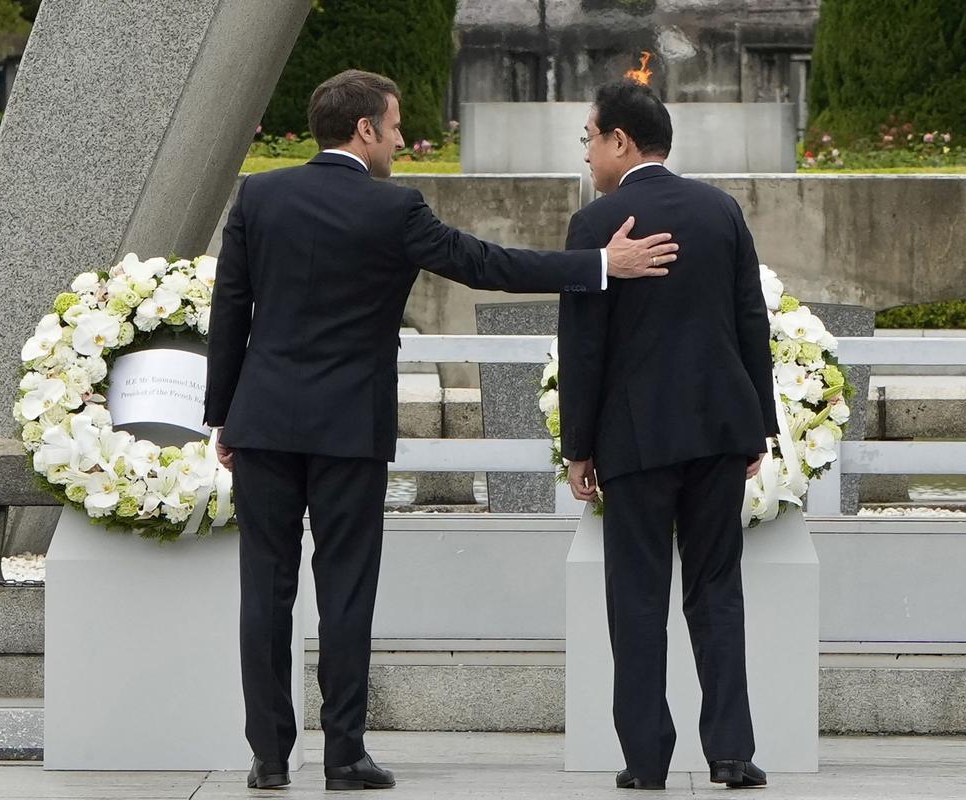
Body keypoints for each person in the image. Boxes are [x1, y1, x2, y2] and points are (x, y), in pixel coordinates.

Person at [203, 69, 680, 791]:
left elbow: (231, 307)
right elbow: (485, 265)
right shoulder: (393, 209)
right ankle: (343, 756)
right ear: (364, 129)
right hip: (349, 429)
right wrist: (599, 265)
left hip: (264, 419)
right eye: (394, 126)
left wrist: (223, 414)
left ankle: (269, 758)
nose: (400, 139)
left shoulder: (261, 195)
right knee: (345, 593)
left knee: (263, 591)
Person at [557, 80, 778, 791]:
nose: (587, 155)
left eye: (589, 139)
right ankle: (733, 754)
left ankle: (646, 761)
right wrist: (758, 431)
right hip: (719, 431)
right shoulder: (722, 210)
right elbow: (751, 322)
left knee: (639, 598)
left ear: (621, 140)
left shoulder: (598, 224)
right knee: (718, 590)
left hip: (635, 441)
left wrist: (578, 447)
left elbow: (584, 347)